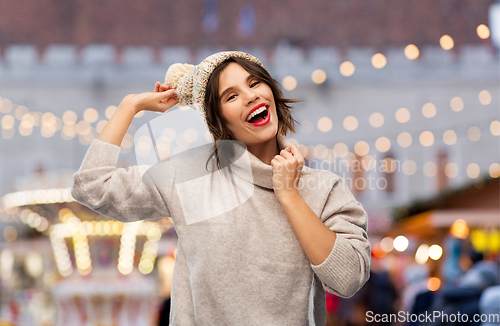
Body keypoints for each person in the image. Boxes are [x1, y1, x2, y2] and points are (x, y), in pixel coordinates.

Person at [71, 51, 371, 325]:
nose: (251, 96)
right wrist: (131, 105)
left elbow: (348, 279)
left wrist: (289, 195)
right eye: (231, 96)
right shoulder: (189, 176)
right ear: (218, 121)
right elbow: (92, 186)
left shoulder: (323, 188)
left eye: (255, 83)